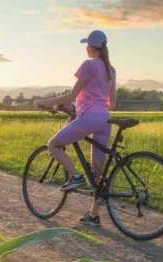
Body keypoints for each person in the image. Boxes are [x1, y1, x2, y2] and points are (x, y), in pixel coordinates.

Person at [34, 30, 117, 227]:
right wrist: (87, 105)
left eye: (86, 46)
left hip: (88, 118)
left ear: (90, 47)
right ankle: (93, 216)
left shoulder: (88, 65)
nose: (86, 49)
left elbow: (71, 95)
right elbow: (111, 103)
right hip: (105, 119)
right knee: (97, 171)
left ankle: (76, 176)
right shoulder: (111, 69)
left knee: (53, 144)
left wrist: (44, 102)